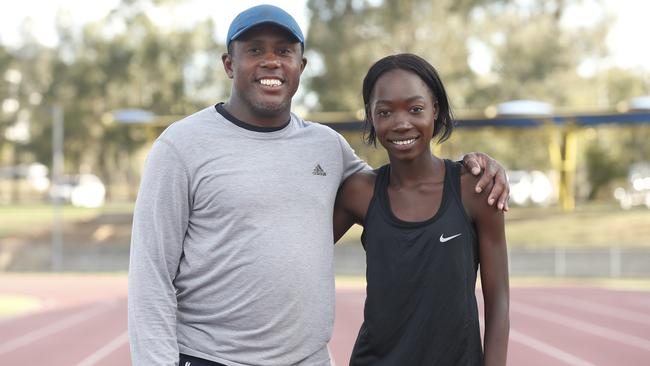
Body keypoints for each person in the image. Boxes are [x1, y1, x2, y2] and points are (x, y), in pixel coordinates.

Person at [128, 5, 509, 366]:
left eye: (284, 50)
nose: (271, 60)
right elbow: (151, 276)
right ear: (229, 64)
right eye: (255, 49)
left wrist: (482, 165)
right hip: (212, 357)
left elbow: (404, 177)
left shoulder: (327, 148)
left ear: (301, 65)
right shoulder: (180, 146)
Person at [333, 53, 510, 366]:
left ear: (435, 110)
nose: (402, 123)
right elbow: (300, 250)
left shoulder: (475, 189)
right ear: (371, 117)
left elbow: (499, 302)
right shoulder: (359, 193)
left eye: (415, 109)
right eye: (385, 111)